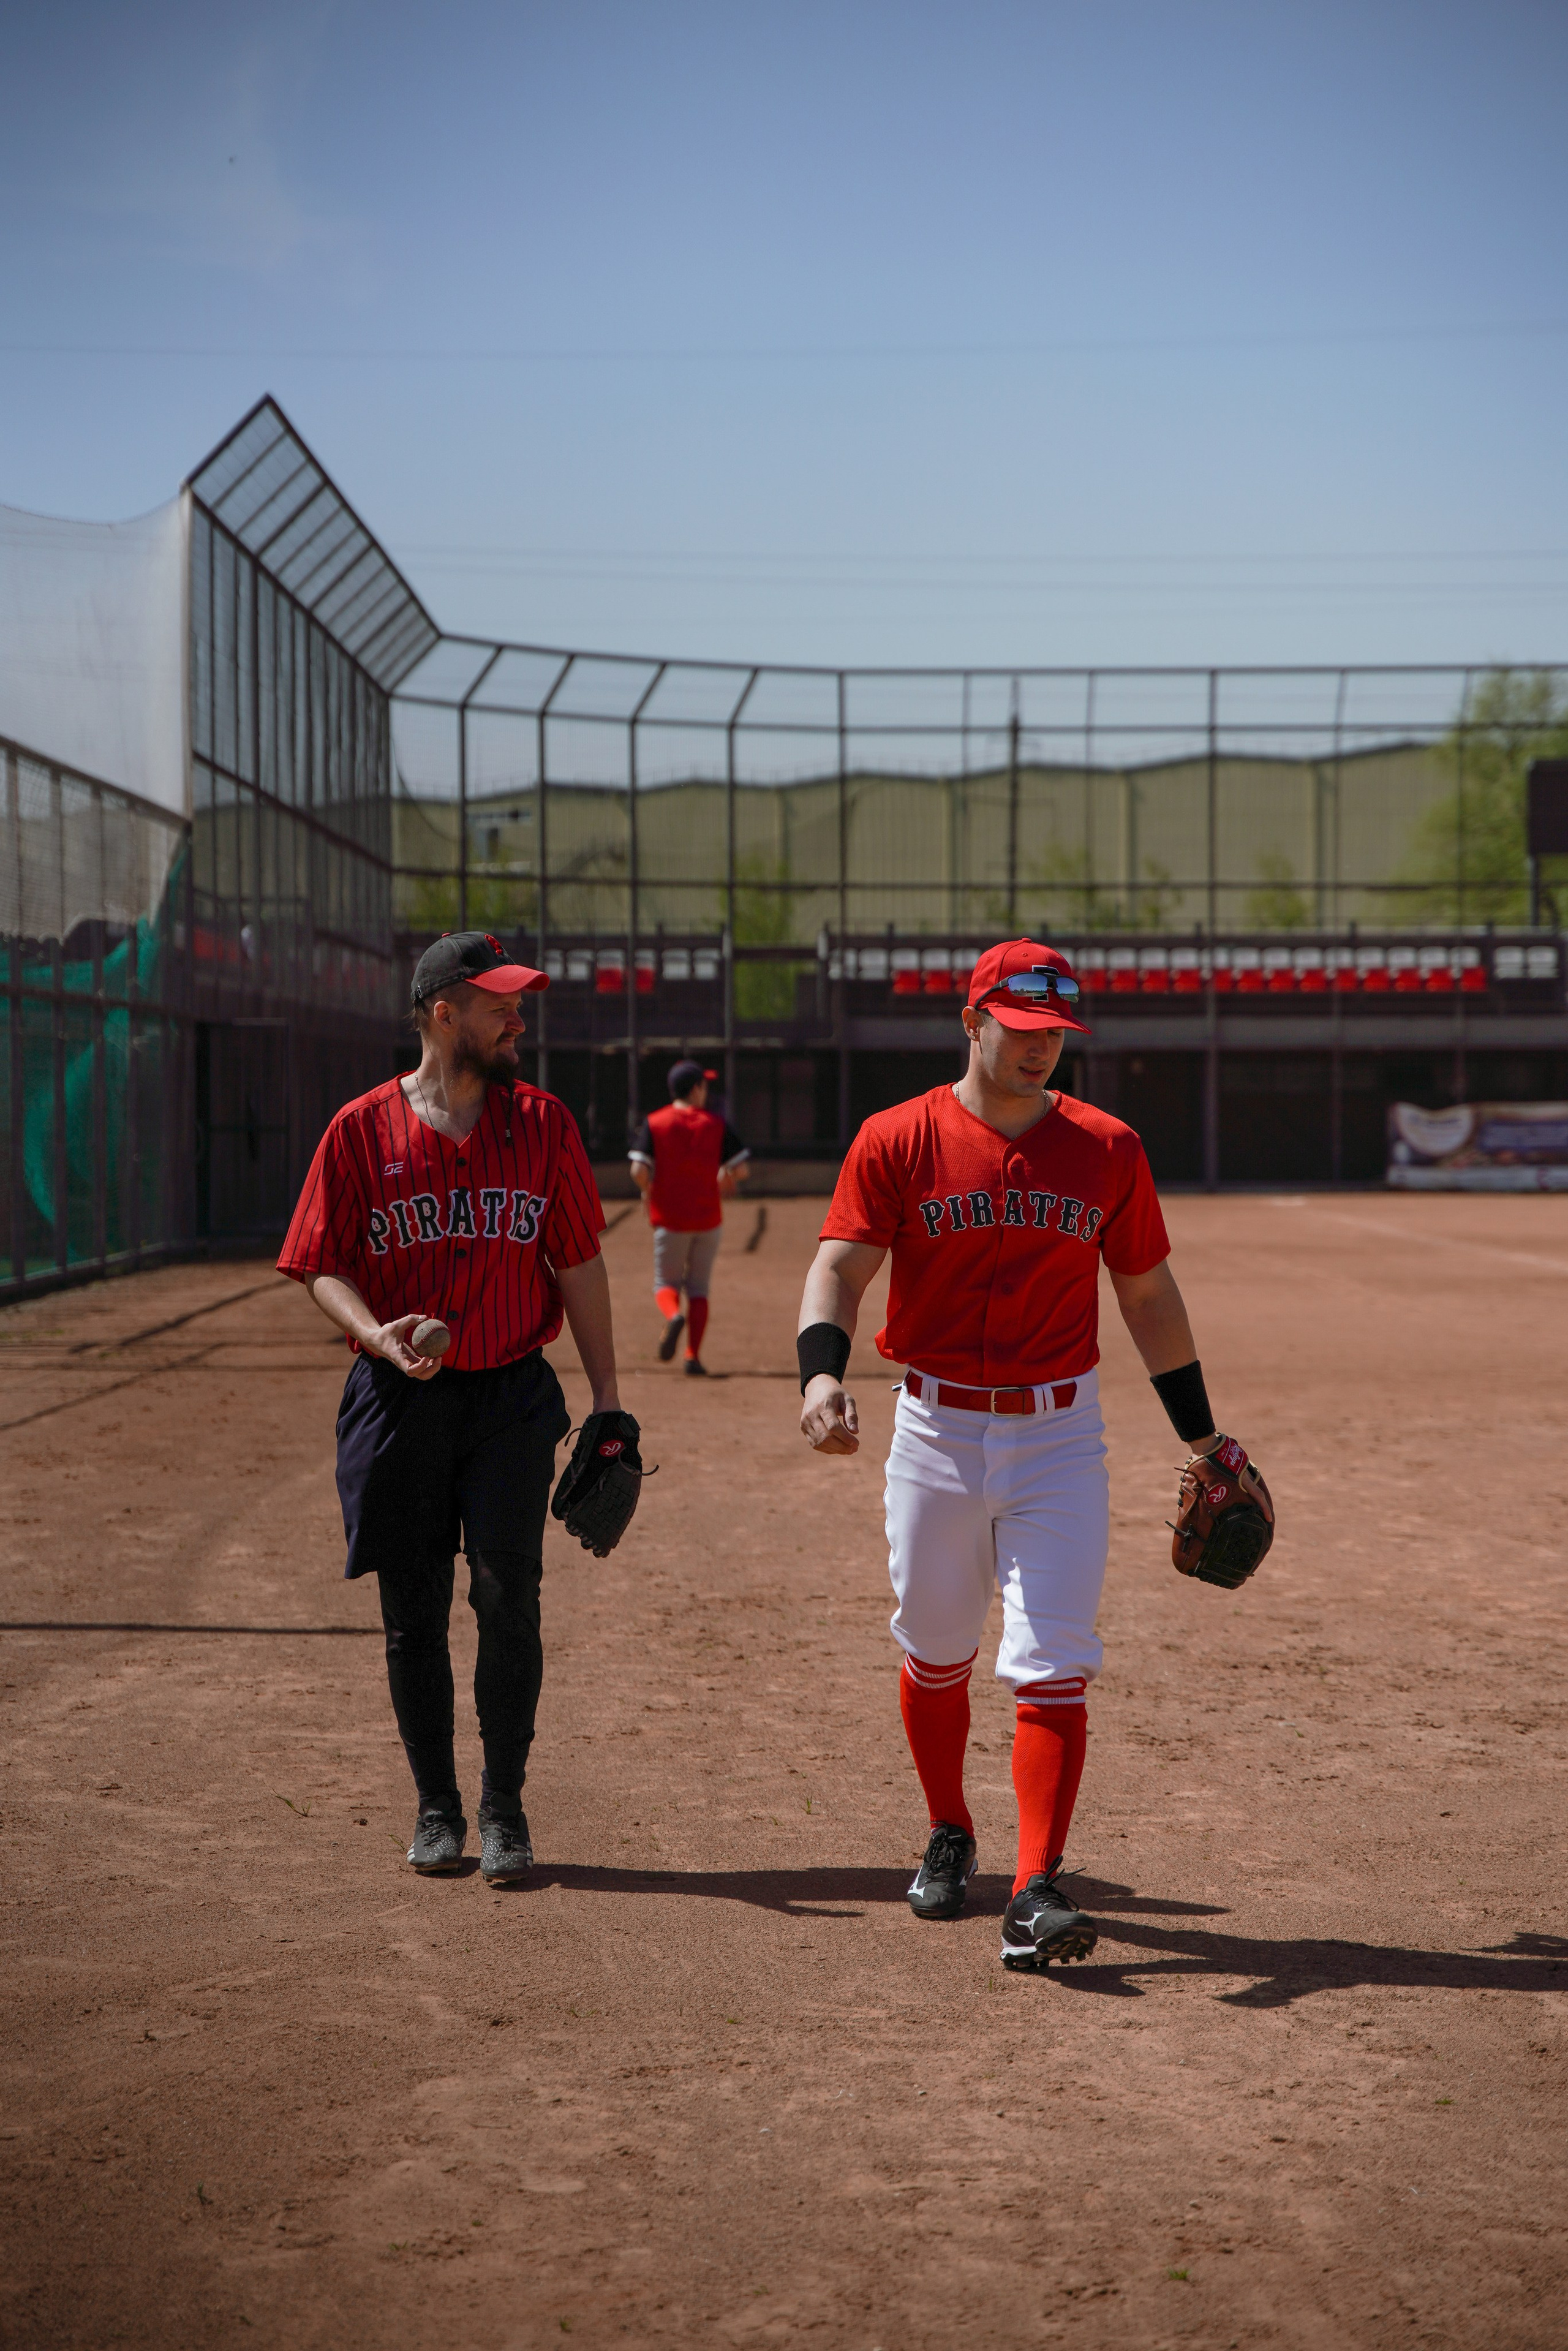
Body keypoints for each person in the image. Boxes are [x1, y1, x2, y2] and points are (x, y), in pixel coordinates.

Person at [793, 938, 1270, 1969]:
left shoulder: (1107, 1148)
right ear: (974, 1022)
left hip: (1059, 1433)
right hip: (935, 1428)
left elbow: (1146, 1293)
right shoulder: (899, 1137)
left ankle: (1037, 1884)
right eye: (1022, 1027)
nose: (1042, 1047)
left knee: (1053, 1658)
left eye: (1057, 1032)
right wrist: (820, 1375)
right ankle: (949, 1828)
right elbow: (838, 1266)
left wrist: (1204, 1433)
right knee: (935, 1643)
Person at [276, 930, 625, 1886]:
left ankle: (504, 1805)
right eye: (500, 1003)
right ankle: (438, 1806)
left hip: (512, 1392)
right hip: (399, 1400)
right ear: (443, 1012)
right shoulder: (358, 1130)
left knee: (512, 1594)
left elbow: (579, 1263)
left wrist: (608, 1400)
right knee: (413, 1611)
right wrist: (377, 1332)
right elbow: (318, 1262)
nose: (519, 1018)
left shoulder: (545, 1124)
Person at [628, 1060, 749, 1376]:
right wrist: (725, 1173)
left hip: (670, 1220)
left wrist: (647, 1190)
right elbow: (742, 1169)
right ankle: (693, 1356)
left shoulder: (655, 1123)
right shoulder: (715, 1123)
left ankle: (672, 1317)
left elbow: (638, 1170)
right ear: (696, 1089)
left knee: (665, 1283)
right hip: (708, 1219)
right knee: (699, 1289)